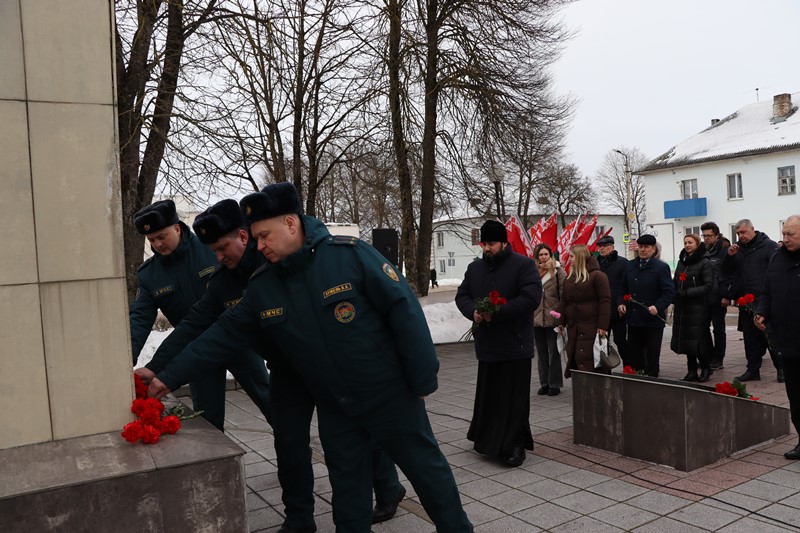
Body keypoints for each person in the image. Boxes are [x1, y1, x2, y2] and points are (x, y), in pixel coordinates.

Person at [147, 183, 472, 533]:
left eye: (264, 236)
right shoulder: (263, 285)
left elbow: (404, 312)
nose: (259, 246)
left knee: (427, 472)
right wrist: (167, 376)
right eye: (255, 238)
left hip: (387, 393)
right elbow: (219, 335)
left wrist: (422, 380)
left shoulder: (349, 256)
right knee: (347, 491)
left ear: (290, 224)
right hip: (334, 403)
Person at [455, 220, 541, 467]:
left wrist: (497, 312)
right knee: (490, 395)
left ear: (504, 242)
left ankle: (515, 444)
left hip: (515, 344)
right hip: (488, 344)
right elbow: (462, 295)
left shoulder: (524, 265)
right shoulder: (475, 268)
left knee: (514, 398)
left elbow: (531, 298)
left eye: (491, 243)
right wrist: (473, 312)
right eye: (484, 244)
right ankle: (487, 440)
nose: (487, 248)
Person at [755, 215, 800, 459]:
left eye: (790, 234)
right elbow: (766, 291)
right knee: (795, 395)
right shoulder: (777, 258)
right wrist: (762, 311)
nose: (785, 238)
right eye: (783, 233)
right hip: (787, 340)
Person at [721, 219, 782, 382]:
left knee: (770, 336)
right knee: (750, 339)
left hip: (765, 299)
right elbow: (727, 271)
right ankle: (753, 370)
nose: (741, 236)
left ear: (752, 229)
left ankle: (781, 369)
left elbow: (777, 269)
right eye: (738, 233)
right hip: (745, 300)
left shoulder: (768, 246)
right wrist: (729, 257)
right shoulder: (737, 249)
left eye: (743, 232)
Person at [618, 234, 675, 377]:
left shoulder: (660, 267)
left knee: (652, 354)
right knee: (635, 353)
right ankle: (639, 377)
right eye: (640, 247)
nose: (643, 250)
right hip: (634, 318)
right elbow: (622, 288)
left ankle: (652, 379)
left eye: (646, 247)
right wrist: (621, 303)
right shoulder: (630, 265)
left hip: (652, 319)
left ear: (653, 249)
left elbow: (669, 292)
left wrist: (658, 306)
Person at [557, 244, 611, 374]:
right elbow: (564, 301)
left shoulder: (598, 276)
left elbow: (605, 301)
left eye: (571, 256)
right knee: (576, 357)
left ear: (580, 257)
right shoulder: (570, 278)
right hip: (574, 326)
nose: (569, 259)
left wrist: (603, 326)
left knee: (591, 359)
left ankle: (594, 385)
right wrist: (560, 321)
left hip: (592, 326)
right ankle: (582, 384)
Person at [670, 234, 714, 382]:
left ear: (697, 244)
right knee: (687, 340)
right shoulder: (682, 261)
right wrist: (674, 292)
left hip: (698, 307)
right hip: (683, 307)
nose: (687, 245)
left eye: (690, 242)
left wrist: (687, 292)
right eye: (685, 242)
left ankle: (706, 369)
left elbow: (708, 285)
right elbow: (676, 280)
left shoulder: (704, 262)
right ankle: (692, 370)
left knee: (699, 340)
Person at [532, 243, 566, 396]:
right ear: (537, 257)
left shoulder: (558, 271)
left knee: (554, 352)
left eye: (546, 254)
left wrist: (561, 316)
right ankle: (544, 383)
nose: (544, 257)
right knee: (541, 353)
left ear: (550, 255)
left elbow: (564, 295)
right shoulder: (532, 272)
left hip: (553, 317)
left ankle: (554, 384)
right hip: (536, 318)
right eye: (541, 255)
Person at [700, 222, 730, 370]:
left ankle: (718, 358)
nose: (706, 238)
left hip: (718, 297)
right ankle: (709, 356)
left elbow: (729, 274)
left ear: (717, 235)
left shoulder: (724, 251)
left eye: (709, 235)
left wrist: (727, 295)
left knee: (718, 329)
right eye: (704, 235)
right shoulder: (702, 250)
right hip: (704, 297)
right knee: (703, 328)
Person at [596, 235, 630, 364]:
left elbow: (626, 285)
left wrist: (623, 303)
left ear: (612, 247)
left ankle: (629, 366)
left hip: (617, 308)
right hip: (601, 310)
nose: (602, 249)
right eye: (600, 246)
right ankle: (605, 368)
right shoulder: (596, 263)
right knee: (602, 340)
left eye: (605, 246)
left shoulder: (622, 263)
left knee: (620, 340)